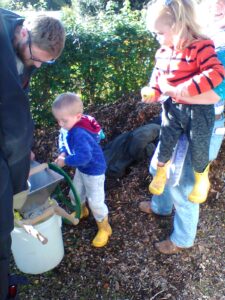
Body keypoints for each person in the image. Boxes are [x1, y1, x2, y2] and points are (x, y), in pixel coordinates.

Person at [139, 0, 225, 255]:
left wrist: (172, 91)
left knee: (183, 184)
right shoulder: (177, 41)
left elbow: (213, 96)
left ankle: (183, 239)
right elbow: (161, 74)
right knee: (158, 166)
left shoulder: (213, 47)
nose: (218, 5)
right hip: (175, 117)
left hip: (203, 123)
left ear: (178, 24)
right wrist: (156, 89)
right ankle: (161, 206)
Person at [0, 8, 65, 300]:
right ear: (23, 32)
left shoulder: (23, 45)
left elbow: (16, 103)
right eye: (36, 58)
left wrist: (24, 148)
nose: (37, 65)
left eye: (44, 62)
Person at [52, 92, 112, 248]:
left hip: (93, 170)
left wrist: (66, 161)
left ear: (78, 116)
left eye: (63, 120)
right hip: (82, 168)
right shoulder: (69, 126)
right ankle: (83, 211)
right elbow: (64, 140)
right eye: (58, 120)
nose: (60, 123)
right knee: (75, 193)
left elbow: (84, 157)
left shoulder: (80, 133)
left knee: (96, 202)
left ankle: (105, 228)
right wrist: (64, 152)